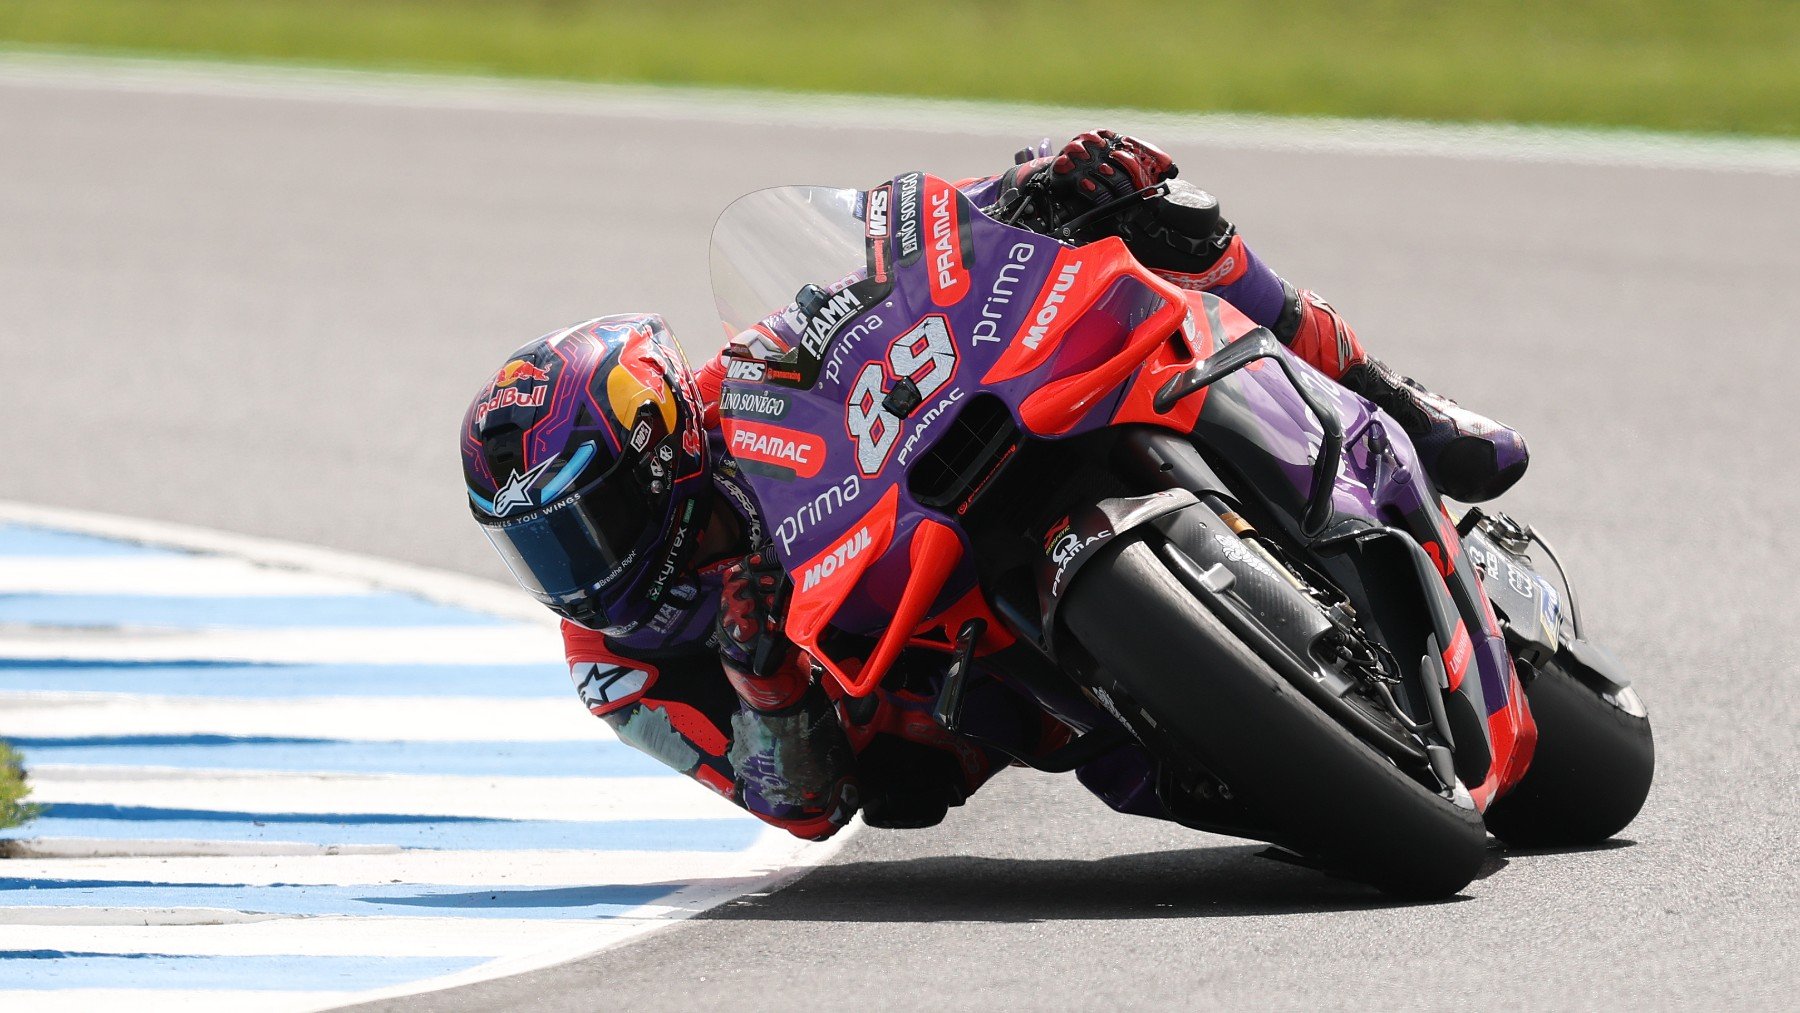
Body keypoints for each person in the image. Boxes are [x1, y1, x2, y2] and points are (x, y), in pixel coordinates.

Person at [460, 131, 1530, 842]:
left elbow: (889, 265)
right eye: (542, 546)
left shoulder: (736, 388)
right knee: (955, 779)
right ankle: (1228, 734)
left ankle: (1388, 390)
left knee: (1161, 217)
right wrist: (765, 685)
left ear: (660, 449)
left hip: (940, 494)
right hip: (941, 681)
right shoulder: (615, 666)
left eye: (584, 522)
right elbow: (801, 808)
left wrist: (1031, 188)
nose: (578, 570)